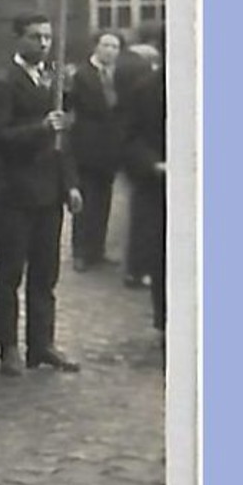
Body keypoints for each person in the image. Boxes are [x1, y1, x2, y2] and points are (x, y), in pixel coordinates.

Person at [0, 13, 84, 377]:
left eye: (48, 37)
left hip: (49, 193)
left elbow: (62, 142)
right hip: (14, 192)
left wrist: (70, 185)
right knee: (10, 273)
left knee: (45, 274)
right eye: (35, 36)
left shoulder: (52, 80)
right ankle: (8, 345)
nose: (43, 43)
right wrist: (39, 128)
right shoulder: (4, 83)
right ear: (18, 39)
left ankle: (42, 343)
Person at [67, 30, 126, 272]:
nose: (110, 51)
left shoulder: (118, 77)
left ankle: (97, 248)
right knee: (86, 200)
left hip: (109, 148)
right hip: (86, 146)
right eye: (106, 45)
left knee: (104, 199)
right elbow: (71, 109)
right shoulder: (81, 75)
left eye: (115, 47)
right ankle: (80, 251)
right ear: (96, 47)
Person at [122, 36, 166, 336]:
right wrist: (154, 164)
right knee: (163, 252)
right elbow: (129, 136)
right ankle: (166, 319)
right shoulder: (146, 89)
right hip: (160, 184)